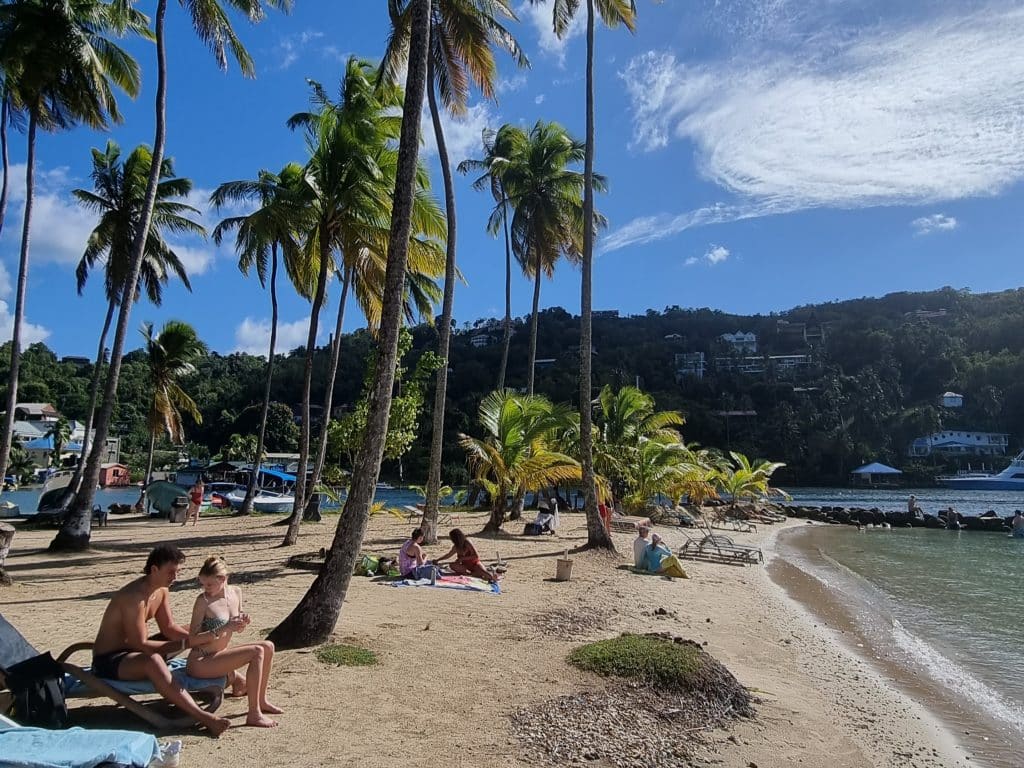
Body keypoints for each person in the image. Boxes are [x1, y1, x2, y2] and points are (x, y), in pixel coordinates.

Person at [91, 544, 231, 736]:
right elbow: (139, 643)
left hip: (134, 652)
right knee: (155, 660)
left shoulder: (161, 590)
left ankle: (234, 676)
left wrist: (197, 639)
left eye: (177, 572)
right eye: (171, 572)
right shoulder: (134, 598)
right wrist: (187, 643)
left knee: (196, 630)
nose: (175, 577)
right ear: (154, 569)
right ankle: (203, 717)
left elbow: (169, 628)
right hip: (110, 660)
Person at [185, 556, 281, 728]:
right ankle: (254, 713)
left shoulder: (235, 592)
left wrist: (242, 622)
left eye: (209, 584)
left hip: (219, 653)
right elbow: (192, 639)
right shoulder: (203, 601)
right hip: (201, 659)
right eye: (203, 584)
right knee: (256, 652)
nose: (205, 588)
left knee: (268, 646)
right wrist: (223, 628)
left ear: (223, 579)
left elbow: (236, 626)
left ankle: (262, 701)